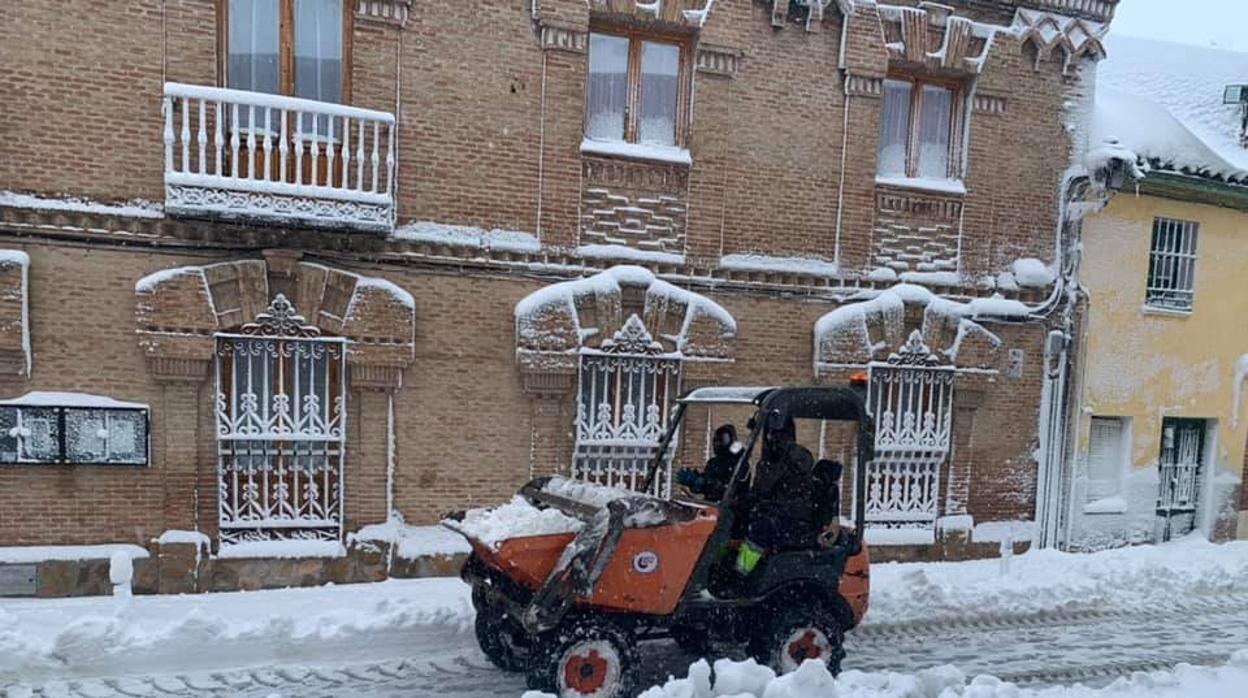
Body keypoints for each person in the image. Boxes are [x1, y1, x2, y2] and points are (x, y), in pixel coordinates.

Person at [735, 411, 817, 575]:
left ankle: (740, 574)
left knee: (760, 529)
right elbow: (758, 491)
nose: (770, 439)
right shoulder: (770, 460)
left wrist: (783, 448)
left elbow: (768, 485)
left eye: (774, 434)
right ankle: (725, 570)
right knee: (734, 523)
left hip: (794, 518)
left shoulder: (797, 457)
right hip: (776, 513)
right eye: (769, 434)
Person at [675, 424, 748, 502]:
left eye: (721, 440)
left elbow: (726, 490)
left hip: (732, 511)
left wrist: (702, 483)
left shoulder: (740, 465)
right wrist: (693, 481)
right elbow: (706, 484)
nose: (717, 444)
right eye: (715, 440)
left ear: (731, 442)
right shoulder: (713, 462)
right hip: (712, 508)